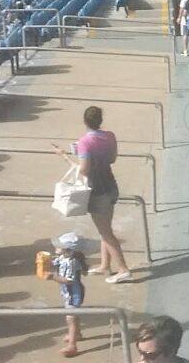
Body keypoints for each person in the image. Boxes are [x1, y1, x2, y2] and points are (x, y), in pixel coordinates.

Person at [54, 107, 131, 284]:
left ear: (85, 121)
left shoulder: (84, 143)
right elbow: (112, 159)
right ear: (100, 120)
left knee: (106, 233)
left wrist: (64, 156)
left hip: (97, 191)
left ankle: (123, 269)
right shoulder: (110, 136)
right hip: (111, 185)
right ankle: (105, 265)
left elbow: (84, 170)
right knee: (105, 229)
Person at [45, 232, 89, 358]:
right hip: (67, 292)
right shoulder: (63, 258)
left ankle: (72, 345)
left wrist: (53, 277)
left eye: (59, 245)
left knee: (71, 318)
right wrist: (46, 261)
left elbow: (69, 280)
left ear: (68, 250)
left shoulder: (72, 262)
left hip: (73, 293)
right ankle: (77, 334)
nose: (56, 247)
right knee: (74, 315)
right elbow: (56, 263)